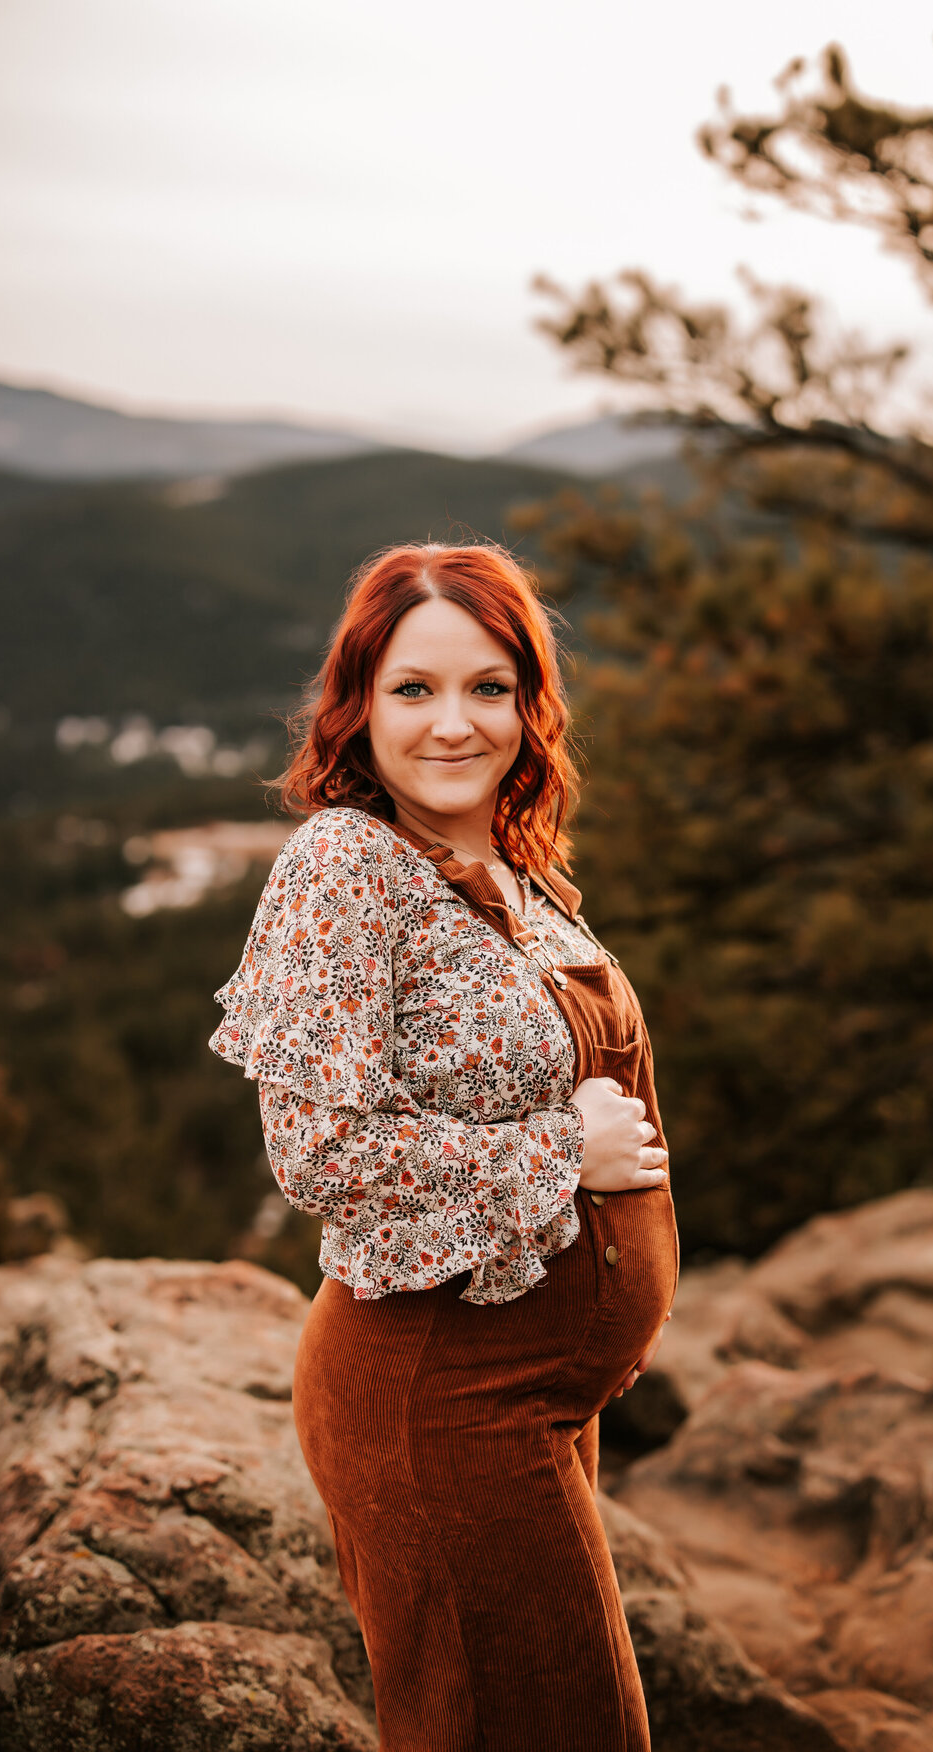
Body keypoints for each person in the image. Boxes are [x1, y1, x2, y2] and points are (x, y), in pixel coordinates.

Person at [210, 540, 679, 1751]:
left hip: (534, 1400)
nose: (455, 725)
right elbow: (319, 1151)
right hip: (438, 1396)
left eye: (489, 686)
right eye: (414, 689)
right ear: (357, 706)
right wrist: (558, 1157)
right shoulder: (344, 867)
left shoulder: (508, 867)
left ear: (531, 701)